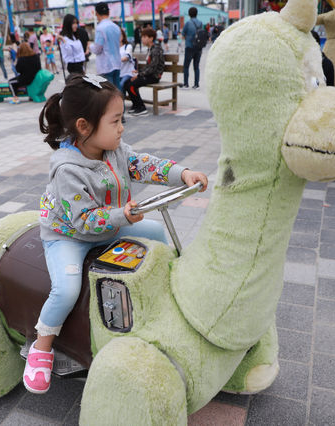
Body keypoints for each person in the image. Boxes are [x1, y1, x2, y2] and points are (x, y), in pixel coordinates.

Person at [23, 73, 208, 394]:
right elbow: (84, 221)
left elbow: (144, 164)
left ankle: (166, 290)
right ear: (84, 127)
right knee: (66, 288)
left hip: (111, 223)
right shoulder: (68, 169)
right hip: (68, 236)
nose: (122, 128)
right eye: (116, 121)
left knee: (155, 234)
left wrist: (183, 174)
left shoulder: (115, 150)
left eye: (121, 120)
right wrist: (121, 215)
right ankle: (42, 346)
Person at [123, 27, 164, 116]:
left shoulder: (156, 49)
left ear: (151, 38)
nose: (142, 39)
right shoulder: (151, 49)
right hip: (148, 75)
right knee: (127, 83)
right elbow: (148, 67)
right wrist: (138, 72)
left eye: (144, 37)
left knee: (132, 85)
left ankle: (141, 107)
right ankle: (136, 105)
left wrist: (139, 75)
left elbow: (153, 68)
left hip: (154, 77)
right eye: (142, 37)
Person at [90, 2, 122, 88]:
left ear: (96, 13)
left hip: (105, 65)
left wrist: (90, 46)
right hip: (117, 63)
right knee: (117, 91)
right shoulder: (116, 27)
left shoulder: (100, 28)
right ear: (108, 12)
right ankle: (121, 102)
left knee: (108, 93)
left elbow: (97, 49)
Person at [181, 7, 204, 89]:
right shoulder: (200, 23)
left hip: (189, 47)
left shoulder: (188, 23)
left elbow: (183, 35)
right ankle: (196, 84)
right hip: (199, 47)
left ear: (189, 14)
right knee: (196, 66)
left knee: (186, 66)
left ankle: (186, 84)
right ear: (196, 13)